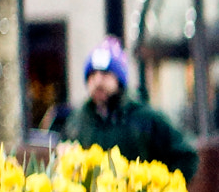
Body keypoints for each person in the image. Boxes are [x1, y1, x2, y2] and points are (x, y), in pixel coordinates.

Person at [62, 37, 201, 178]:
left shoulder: (146, 118)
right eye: (92, 75)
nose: (97, 81)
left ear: (118, 79)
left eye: (105, 74)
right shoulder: (77, 121)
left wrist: (164, 189)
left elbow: (187, 155)